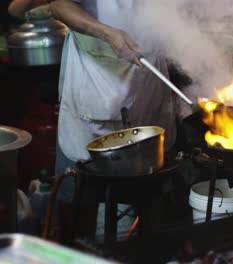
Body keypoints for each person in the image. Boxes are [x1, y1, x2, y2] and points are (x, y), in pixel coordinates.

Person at [10, 0, 178, 240]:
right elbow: (58, 5)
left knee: (154, 194)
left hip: (147, 75)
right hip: (96, 73)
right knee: (85, 199)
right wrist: (108, 34)